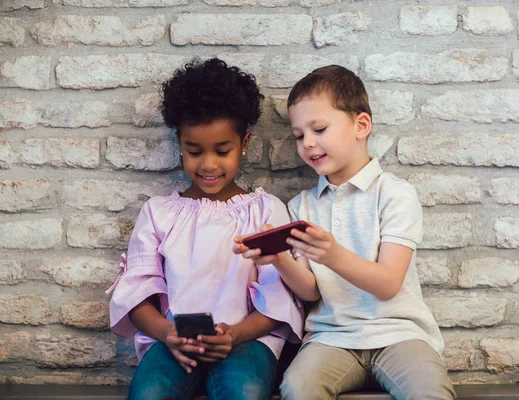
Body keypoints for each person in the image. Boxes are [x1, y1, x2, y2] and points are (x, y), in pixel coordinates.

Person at [235, 65, 455, 400]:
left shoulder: (395, 194)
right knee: (297, 387)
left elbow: (387, 284)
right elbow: (310, 292)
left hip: (398, 335)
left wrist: (333, 255)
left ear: (361, 125)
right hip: (331, 338)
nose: (308, 143)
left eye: (319, 129)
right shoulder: (302, 207)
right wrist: (279, 258)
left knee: (430, 390)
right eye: (298, 135)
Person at [107, 58, 303, 400]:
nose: (208, 164)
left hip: (248, 340)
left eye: (222, 150)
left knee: (244, 392)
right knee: (148, 394)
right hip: (174, 343)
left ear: (244, 143)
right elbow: (136, 295)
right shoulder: (158, 213)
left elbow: (280, 296)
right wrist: (169, 334)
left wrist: (236, 334)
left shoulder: (265, 211)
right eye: (194, 151)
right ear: (179, 143)